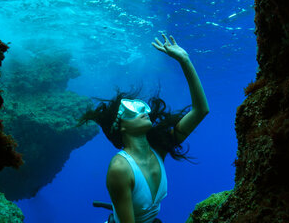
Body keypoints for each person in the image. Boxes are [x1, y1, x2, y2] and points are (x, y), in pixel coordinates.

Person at [79, 34, 209, 223]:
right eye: (130, 111)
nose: (142, 110)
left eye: (139, 106)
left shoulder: (159, 148)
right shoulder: (120, 168)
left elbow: (200, 110)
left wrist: (185, 60)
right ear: (120, 127)